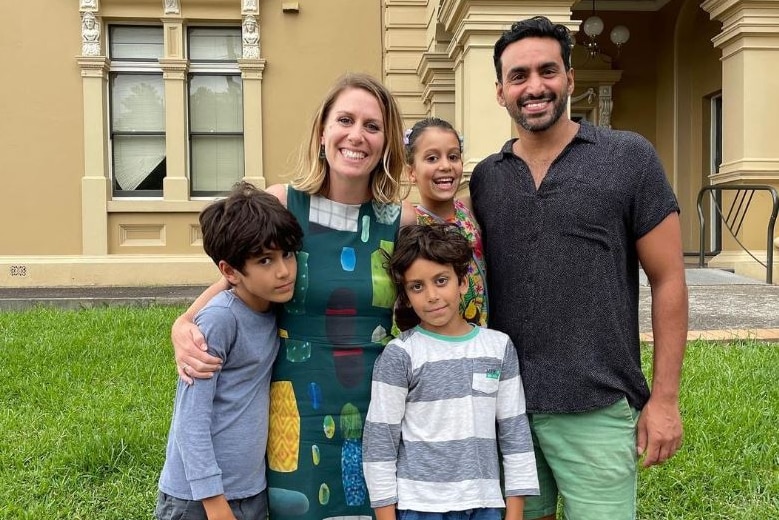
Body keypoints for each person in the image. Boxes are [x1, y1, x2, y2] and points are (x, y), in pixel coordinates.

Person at [468, 16, 688, 520]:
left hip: (597, 405)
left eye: (548, 70)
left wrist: (665, 400)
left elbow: (669, 280)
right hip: (506, 407)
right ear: (500, 91)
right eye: (518, 76)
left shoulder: (629, 157)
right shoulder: (487, 178)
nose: (534, 86)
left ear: (570, 78)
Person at [171, 73, 414, 520]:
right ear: (323, 131)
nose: (356, 135)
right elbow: (236, 275)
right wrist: (183, 322)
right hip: (294, 411)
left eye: (372, 126)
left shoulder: (400, 223)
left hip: (378, 408)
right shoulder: (283, 203)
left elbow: (435, 299)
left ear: (387, 142)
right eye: (345, 119)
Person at [363, 224, 538, 520]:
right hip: (419, 507)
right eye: (417, 286)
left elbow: (515, 432)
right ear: (405, 295)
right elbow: (380, 441)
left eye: (441, 280)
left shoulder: (498, 347)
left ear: (462, 282)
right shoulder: (400, 354)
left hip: (484, 505)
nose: (431, 295)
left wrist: (515, 513)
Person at [156, 181, 304, 520]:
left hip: (250, 491)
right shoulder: (221, 319)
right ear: (230, 270)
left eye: (288, 255)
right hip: (198, 499)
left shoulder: (272, 305)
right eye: (266, 260)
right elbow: (190, 419)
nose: (284, 271)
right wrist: (214, 502)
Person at [402, 118, 488, 327]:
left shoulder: (470, 209)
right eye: (432, 158)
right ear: (411, 172)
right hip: (435, 340)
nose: (445, 166)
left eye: (453, 157)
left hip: (479, 335)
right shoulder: (409, 218)